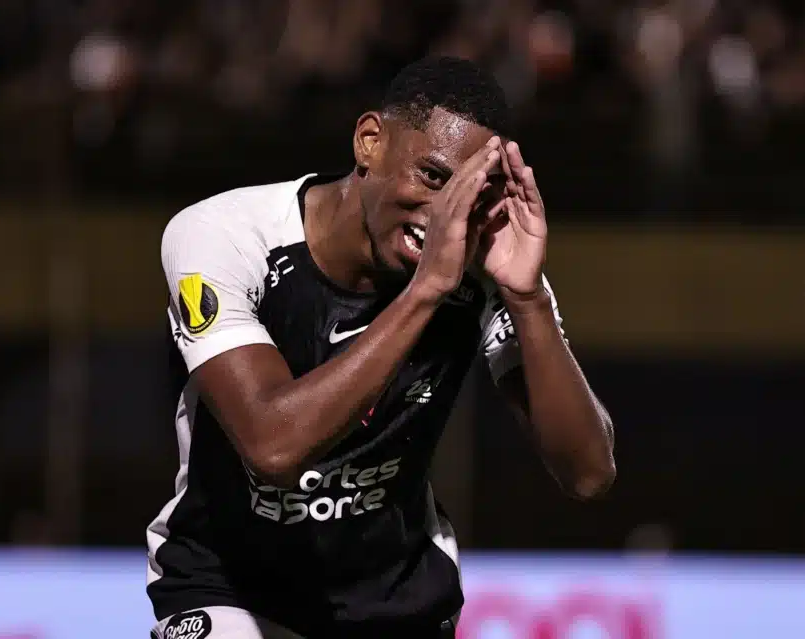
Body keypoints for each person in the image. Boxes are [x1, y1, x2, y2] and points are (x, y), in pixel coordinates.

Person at [146, 56, 615, 639]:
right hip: (228, 587)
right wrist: (427, 291)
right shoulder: (225, 236)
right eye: (434, 177)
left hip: (395, 599)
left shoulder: (481, 266)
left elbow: (588, 472)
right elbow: (273, 445)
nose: (444, 216)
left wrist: (527, 299)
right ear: (369, 142)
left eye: (469, 197)